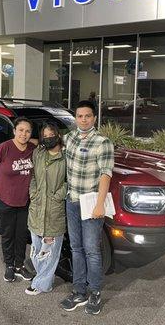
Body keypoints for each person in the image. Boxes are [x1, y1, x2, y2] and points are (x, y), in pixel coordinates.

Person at [59, 100, 114, 315]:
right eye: (80, 116)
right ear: (75, 118)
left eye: (87, 116)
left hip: (91, 204)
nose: (83, 119)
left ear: (94, 118)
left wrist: (100, 205)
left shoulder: (103, 142)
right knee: (76, 248)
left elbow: (105, 174)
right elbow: (51, 143)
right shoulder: (69, 138)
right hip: (72, 200)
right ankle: (79, 291)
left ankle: (95, 293)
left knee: (92, 250)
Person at [0, 117, 36, 282]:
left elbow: (43, 142)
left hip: (24, 200)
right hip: (4, 199)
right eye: (20, 130)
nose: (24, 134)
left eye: (27, 131)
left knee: (21, 235)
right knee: (7, 234)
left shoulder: (32, 148)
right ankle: (9, 266)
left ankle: (19, 265)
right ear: (14, 131)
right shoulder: (4, 148)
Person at [25, 122, 67, 295]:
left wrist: (58, 195)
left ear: (58, 135)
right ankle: (42, 279)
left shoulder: (66, 157)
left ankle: (41, 284)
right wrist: (33, 193)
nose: (48, 138)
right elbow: (33, 176)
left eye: (52, 135)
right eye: (45, 135)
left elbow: (69, 181)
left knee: (49, 253)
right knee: (36, 250)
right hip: (36, 208)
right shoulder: (38, 153)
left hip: (54, 211)